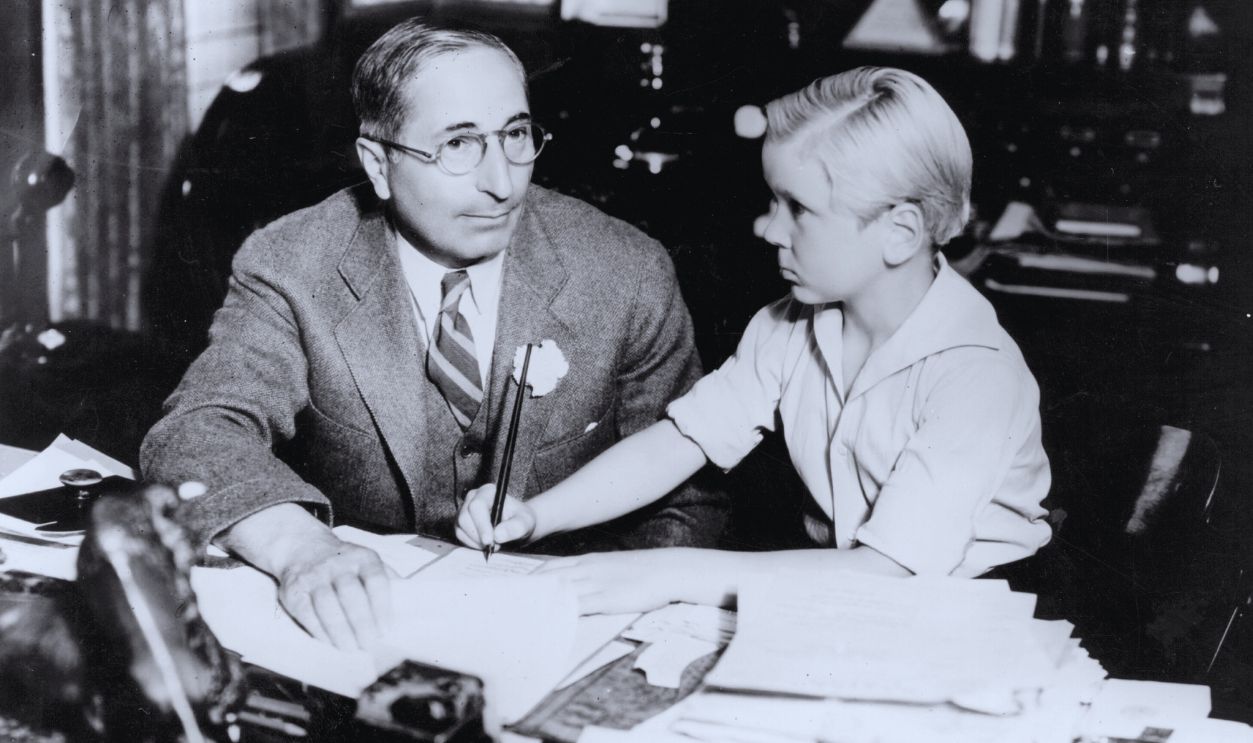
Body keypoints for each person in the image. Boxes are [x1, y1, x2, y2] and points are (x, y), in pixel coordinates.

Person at [140, 18, 726, 650]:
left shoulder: (625, 270)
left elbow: (689, 502)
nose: (503, 185)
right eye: (458, 145)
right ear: (379, 165)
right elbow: (197, 433)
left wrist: (621, 652)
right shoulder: (291, 264)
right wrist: (302, 550)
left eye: (516, 135)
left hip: (570, 637)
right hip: (363, 640)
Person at [457, 67, 1053, 615]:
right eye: (773, 201)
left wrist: (669, 573)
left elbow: (890, 571)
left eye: (798, 209)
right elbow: (681, 440)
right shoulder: (787, 324)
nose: (767, 228)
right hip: (844, 590)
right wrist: (537, 514)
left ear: (900, 233)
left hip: (978, 608)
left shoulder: (976, 373)